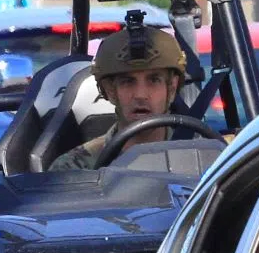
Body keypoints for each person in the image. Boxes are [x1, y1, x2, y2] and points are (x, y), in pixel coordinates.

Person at [51, 13, 198, 171]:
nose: (141, 95)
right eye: (128, 82)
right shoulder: (75, 168)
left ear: (172, 87)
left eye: (154, 80)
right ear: (110, 90)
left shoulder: (202, 156)